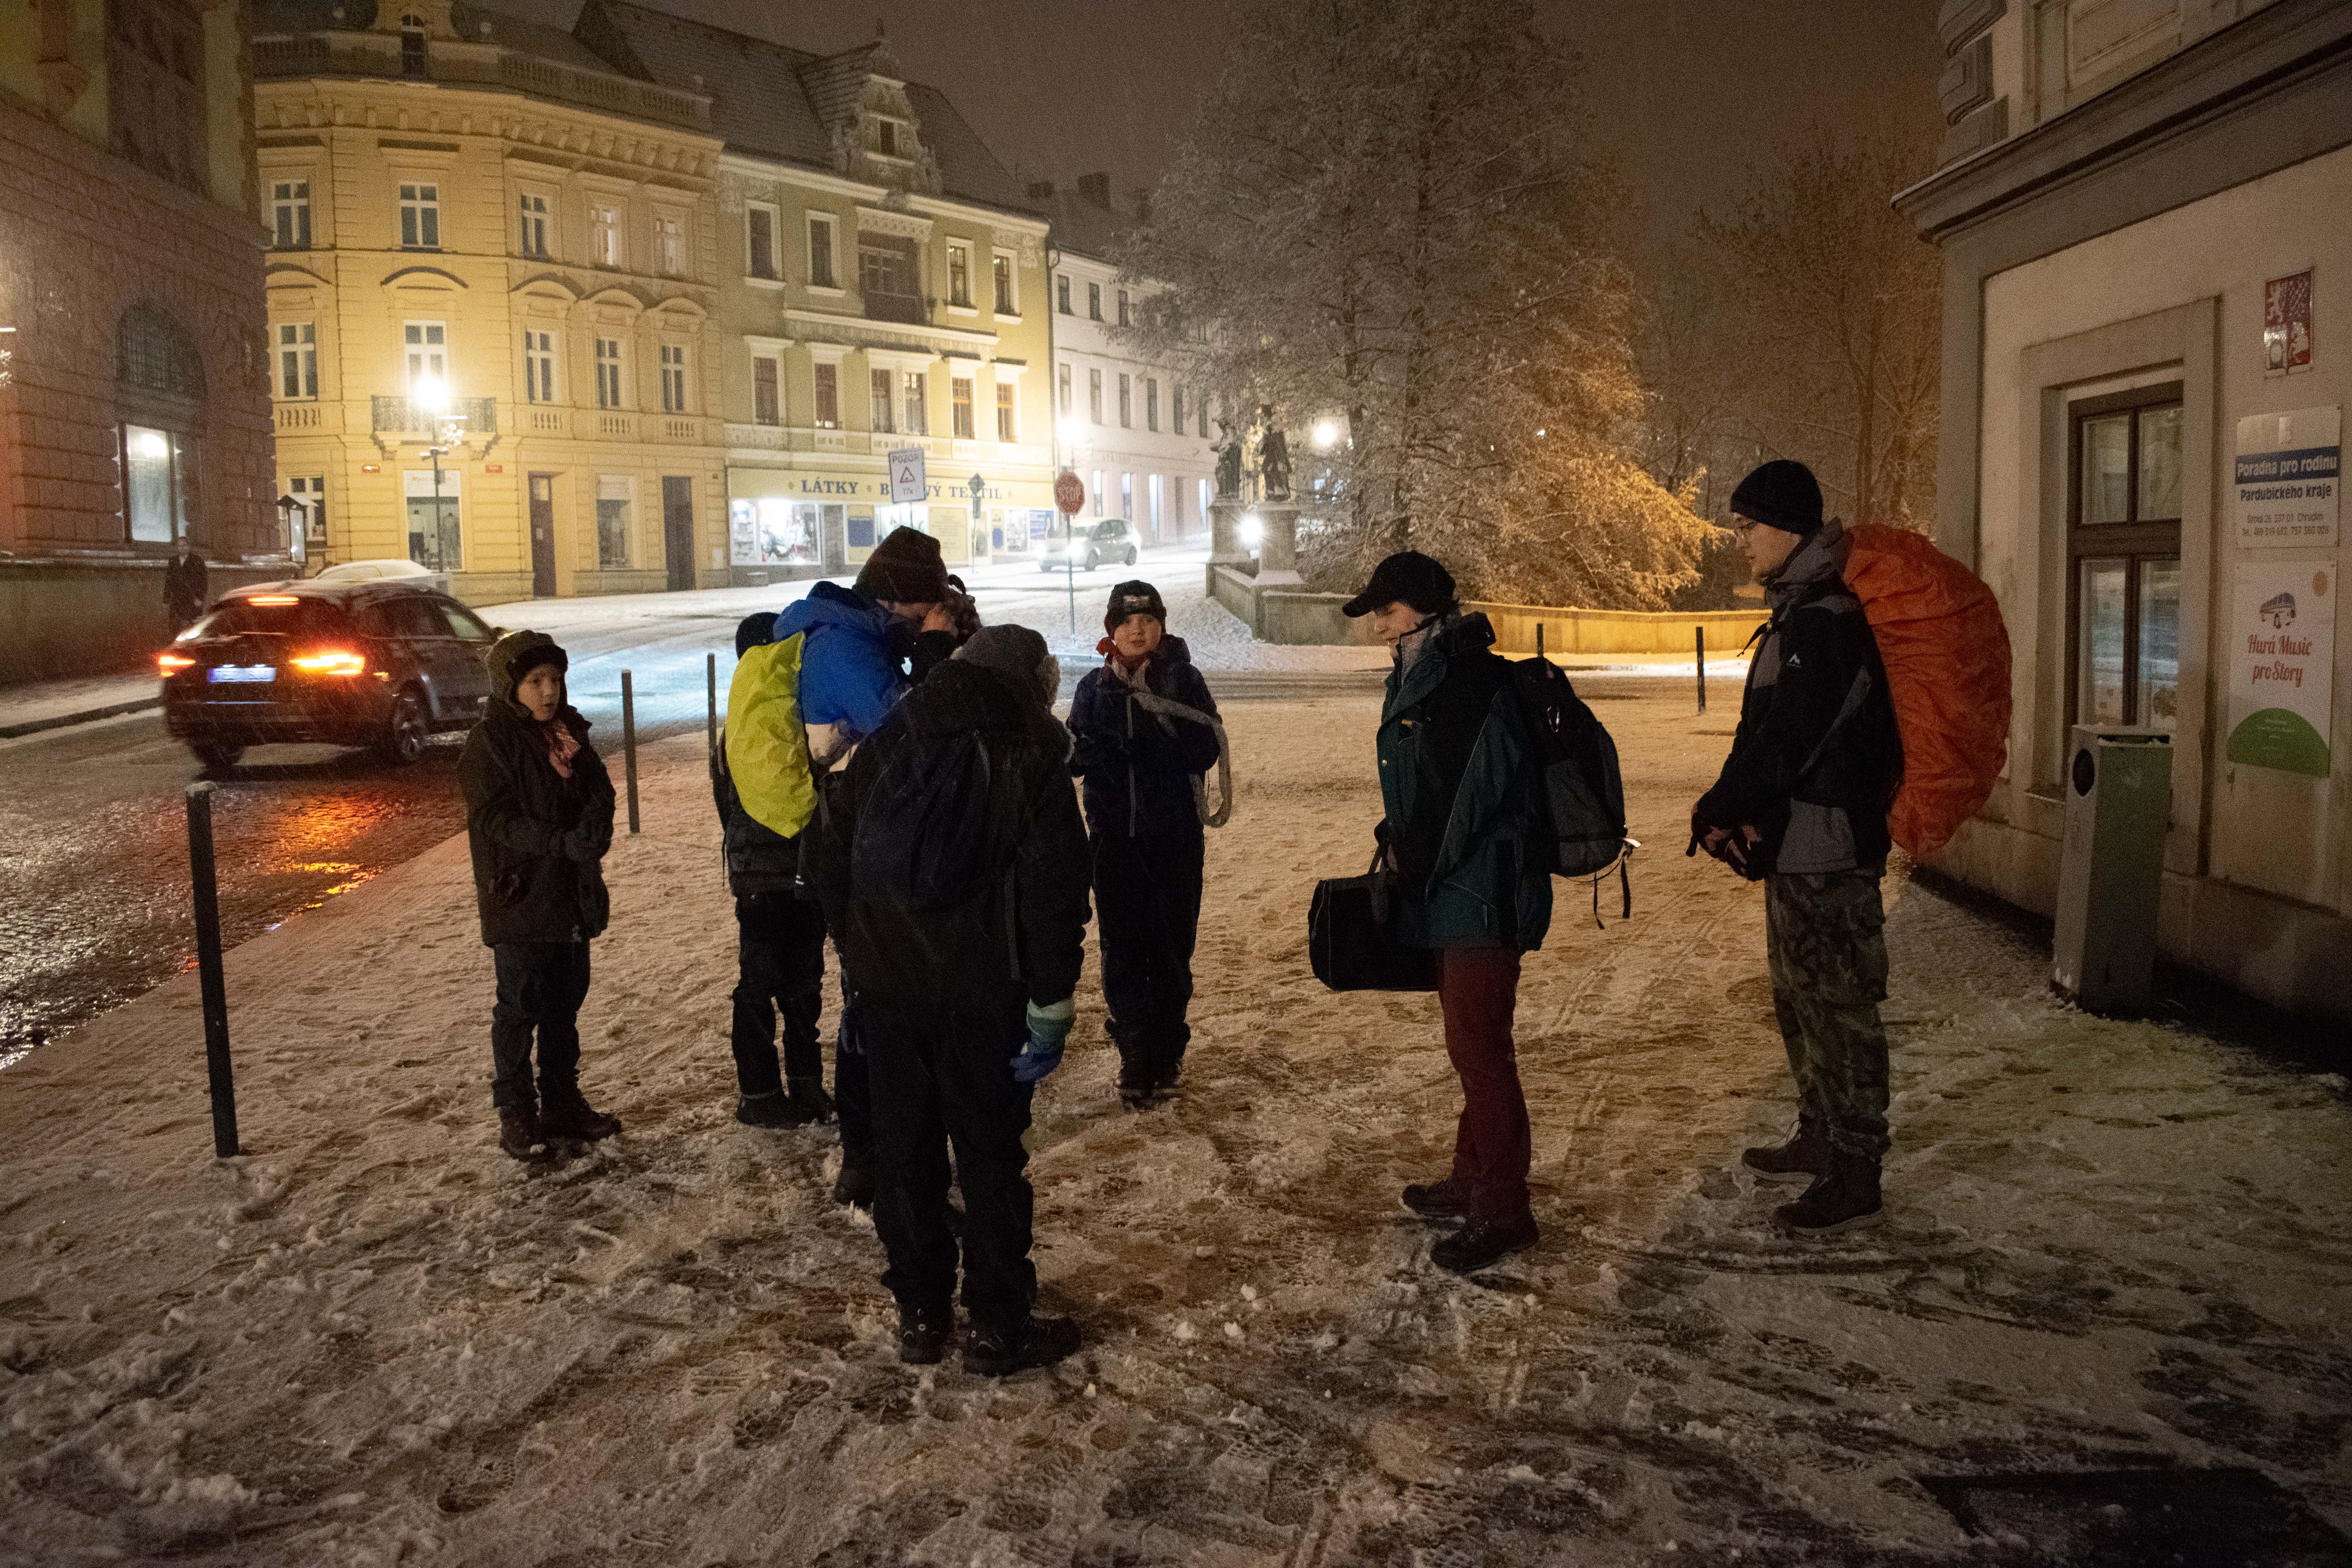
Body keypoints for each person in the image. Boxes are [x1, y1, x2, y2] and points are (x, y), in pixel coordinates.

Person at [809, 624, 1092, 1376]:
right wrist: (1052, 1000)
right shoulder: (1032, 754)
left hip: (891, 997)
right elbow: (1054, 889)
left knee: (906, 1158)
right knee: (992, 1159)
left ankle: (920, 1313)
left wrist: (862, 951)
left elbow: (824, 854)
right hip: (983, 997)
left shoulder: (888, 741)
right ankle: (1000, 1324)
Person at [1691, 459, 1902, 1237]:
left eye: (1749, 525)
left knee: (1843, 1007)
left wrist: (1722, 804)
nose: (1741, 540)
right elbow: (1769, 736)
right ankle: (1820, 1133)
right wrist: (1734, 808)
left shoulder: (1825, 622)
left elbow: (1788, 739)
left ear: (1787, 528)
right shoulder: (1800, 613)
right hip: (1797, 845)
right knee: (1800, 998)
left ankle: (1857, 1166)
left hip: (1831, 846)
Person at [1344, 552, 1551, 1275]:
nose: (1377, 625)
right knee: (1473, 1046)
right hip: (1458, 890)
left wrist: (1413, 862)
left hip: (1481, 893)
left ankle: (1504, 1209)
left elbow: (1465, 794)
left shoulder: (1465, 679)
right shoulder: (1430, 672)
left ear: (1424, 609)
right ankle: (1474, 1180)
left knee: (1482, 1051)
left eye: (1387, 611)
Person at [773, 525, 951, 1207]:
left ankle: (882, 1144)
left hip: (860, 839)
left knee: (879, 998)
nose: (923, 619)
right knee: (869, 1003)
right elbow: (915, 730)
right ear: (900, 598)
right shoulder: (846, 648)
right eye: (922, 606)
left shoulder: (858, 634)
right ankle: (865, 1155)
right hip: (849, 849)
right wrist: (934, 647)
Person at [461, 631, 622, 1161]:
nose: (548, 691)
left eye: (555, 679)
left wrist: (595, 828)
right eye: (535, 681)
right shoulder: (492, 743)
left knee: (563, 1005)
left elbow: (598, 787)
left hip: (570, 893)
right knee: (520, 1008)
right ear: (512, 686)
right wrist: (558, 842)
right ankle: (517, 1114)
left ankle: (562, 1103)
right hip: (522, 897)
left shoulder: (567, 731)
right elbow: (492, 819)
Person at [1067, 581, 1221, 1108]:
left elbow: (1207, 747)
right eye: (1128, 621)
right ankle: (1135, 1051)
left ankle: (1167, 1051)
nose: (1138, 629)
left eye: (1148, 620)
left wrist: (1159, 736)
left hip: (1174, 837)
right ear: (1112, 629)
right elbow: (1074, 752)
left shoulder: (1184, 677)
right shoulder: (1093, 687)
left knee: (1172, 946)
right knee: (1123, 948)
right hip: (1114, 840)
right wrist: (1092, 752)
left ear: (1161, 627)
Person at [714, 611, 834, 1129]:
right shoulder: (749, 730)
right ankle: (760, 1092)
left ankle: (804, 1088)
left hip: (783, 870)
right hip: (770, 873)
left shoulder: (758, 724)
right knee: (764, 983)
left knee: (803, 982)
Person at [165, 537, 208, 636]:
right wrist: (167, 598)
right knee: (175, 625)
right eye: (180, 546)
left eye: (184, 545)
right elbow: (169, 580)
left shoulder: (197, 561)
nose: (182, 548)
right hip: (177, 598)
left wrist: (200, 598)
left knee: (194, 625)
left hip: (192, 598)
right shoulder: (173, 561)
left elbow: (203, 581)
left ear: (189, 547)